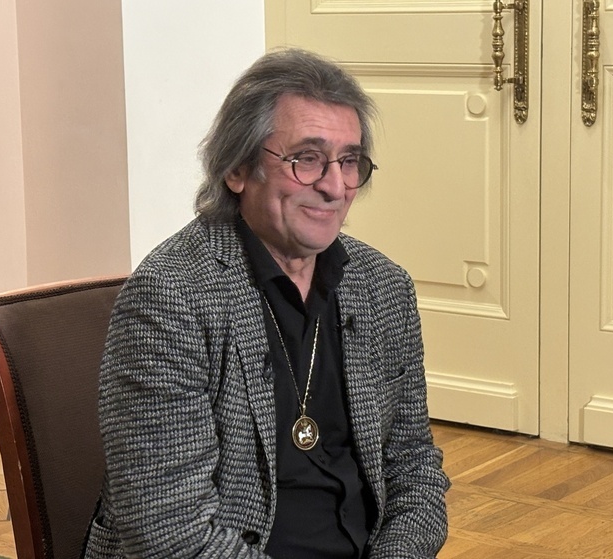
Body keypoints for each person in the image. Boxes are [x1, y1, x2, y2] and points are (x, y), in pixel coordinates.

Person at [83, 48, 449, 559]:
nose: (335, 186)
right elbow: (167, 533)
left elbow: (414, 471)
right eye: (307, 159)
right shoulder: (170, 299)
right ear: (238, 168)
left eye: (349, 161)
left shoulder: (383, 287)